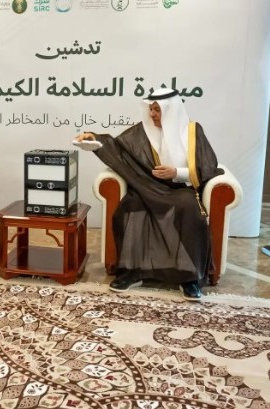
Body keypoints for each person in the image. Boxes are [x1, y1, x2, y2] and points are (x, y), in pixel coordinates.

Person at [74, 86, 222, 300]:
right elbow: (118, 148)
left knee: (190, 210)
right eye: (151, 109)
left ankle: (188, 277)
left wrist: (176, 172)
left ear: (171, 110)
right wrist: (95, 139)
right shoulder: (141, 131)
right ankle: (131, 272)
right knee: (130, 206)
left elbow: (207, 165)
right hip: (146, 186)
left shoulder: (193, 131)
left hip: (181, 189)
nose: (152, 114)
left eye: (157, 109)